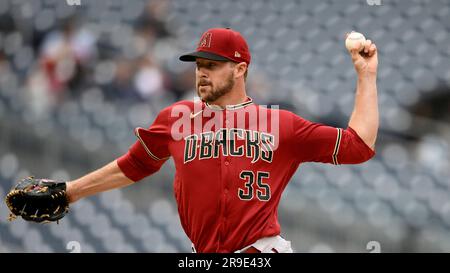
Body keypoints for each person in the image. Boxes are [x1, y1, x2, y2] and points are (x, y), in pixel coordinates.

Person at [66, 27, 379, 253]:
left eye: (212, 66)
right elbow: (135, 165)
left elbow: (359, 146)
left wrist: (366, 76)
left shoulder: (279, 124)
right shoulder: (176, 118)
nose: (202, 73)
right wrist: (70, 192)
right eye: (199, 65)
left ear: (240, 69)